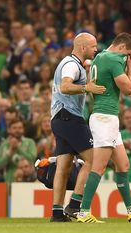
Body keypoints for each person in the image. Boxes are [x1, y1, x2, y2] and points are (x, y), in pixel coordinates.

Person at [77, 33, 131, 223]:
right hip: (105, 118)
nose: (127, 59)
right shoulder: (113, 59)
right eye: (128, 55)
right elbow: (128, 89)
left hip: (106, 117)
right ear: (121, 48)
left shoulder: (100, 56)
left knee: (123, 164)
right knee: (99, 166)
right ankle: (83, 211)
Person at [49, 32, 106, 222]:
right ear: (83, 48)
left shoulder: (68, 63)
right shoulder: (72, 65)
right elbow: (66, 86)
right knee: (94, 161)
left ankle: (57, 213)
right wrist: (86, 88)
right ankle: (74, 205)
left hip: (58, 118)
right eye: (93, 46)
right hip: (70, 117)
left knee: (63, 167)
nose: (96, 49)